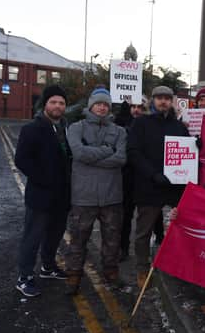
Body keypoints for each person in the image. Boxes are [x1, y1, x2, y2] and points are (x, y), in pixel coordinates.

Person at [127, 85, 191, 289]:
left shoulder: (179, 126)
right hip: (149, 185)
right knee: (144, 231)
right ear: (153, 101)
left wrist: (195, 145)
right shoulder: (141, 123)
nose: (163, 101)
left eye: (167, 98)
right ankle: (142, 268)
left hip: (174, 187)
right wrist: (153, 174)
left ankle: (176, 264)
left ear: (172, 101)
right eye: (159, 98)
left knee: (178, 228)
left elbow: (186, 154)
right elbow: (134, 152)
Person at [64, 88, 127, 294]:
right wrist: (107, 150)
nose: (102, 107)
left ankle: (111, 273)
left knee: (112, 240)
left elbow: (121, 159)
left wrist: (93, 156)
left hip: (111, 196)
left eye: (106, 104)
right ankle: (73, 276)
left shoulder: (120, 131)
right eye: (98, 103)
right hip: (84, 196)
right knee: (78, 239)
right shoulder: (76, 127)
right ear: (91, 105)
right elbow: (79, 153)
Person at [14, 85, 71, 297]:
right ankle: (24, 277)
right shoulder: (32, 128)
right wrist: (45, 180)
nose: (58, 106)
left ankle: (48, 267)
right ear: (45, 104)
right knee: (33, 237)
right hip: (40, 195)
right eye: (53, 102)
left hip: (62, 196)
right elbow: (21, 160)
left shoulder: (66, 127)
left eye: (62, 103)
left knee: (54, 235)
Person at [115, 96, 148, 262]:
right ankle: (123, 248)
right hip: (127, 178)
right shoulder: (120, 124)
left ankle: (146, 251)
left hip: (145, 178)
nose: (137, 110)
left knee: (148, 218)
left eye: (140, 107)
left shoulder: (149, 125)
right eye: (133, 106)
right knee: (125, 216)